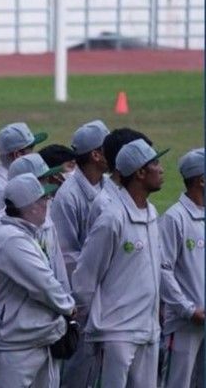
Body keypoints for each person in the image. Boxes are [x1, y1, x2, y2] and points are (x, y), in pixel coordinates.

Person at [73, 139, 166, 388]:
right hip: (116, 333)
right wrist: (91, 327)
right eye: (155, 163)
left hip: (148, 330)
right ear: (140, 172)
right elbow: (85, 276)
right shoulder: (112, 219)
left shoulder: (152, 213)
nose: (161, 169)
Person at [0, 173, 76, 388]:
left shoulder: (26, 235)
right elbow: (43, 283)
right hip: (14, 345)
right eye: (43, 199)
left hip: (38, 338)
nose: (47, 203)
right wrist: (68, 307)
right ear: (30, 206)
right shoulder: (11, 238)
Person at [0, 153, 68, 312]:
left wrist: (66, 306)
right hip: (13, 326)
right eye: (41, 180)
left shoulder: (46, 220)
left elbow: (59, 272)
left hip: (48, 321)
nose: (47, 184)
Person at [158, 148, 204, 388]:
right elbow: (163, 270)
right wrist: (187, 309)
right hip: (185, 324)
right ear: (201, 180)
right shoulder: (175, 219)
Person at [51, 120, 115, 283]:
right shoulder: (67, 197)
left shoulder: (111, 185)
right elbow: (67, 256)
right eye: (110, 149)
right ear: (95, 155)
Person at [0, 122, 47, 231]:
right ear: (18, 155)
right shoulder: (0, 190)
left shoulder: (8, 184)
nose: (35, 155)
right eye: (31, 150)